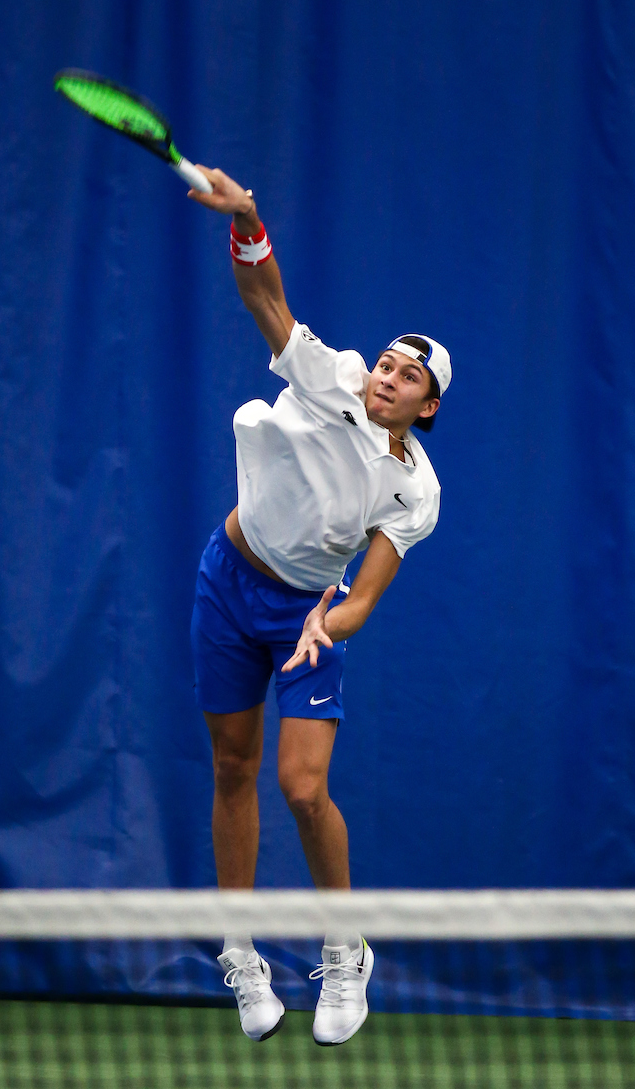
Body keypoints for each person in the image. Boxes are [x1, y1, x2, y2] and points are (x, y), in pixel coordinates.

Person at [187, 167, 451, 1045]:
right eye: (386, 362)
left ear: (428, 405)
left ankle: (346, 951)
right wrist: (249, 217)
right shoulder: (329, 376)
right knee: (232, 769)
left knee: (302, 789)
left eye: (408, 376)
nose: (386, 376)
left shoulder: (416, 491)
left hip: (308, 616)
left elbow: (365, 595)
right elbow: (263, 296)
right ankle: (241, 955)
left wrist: (322, 623)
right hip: (228, 582)